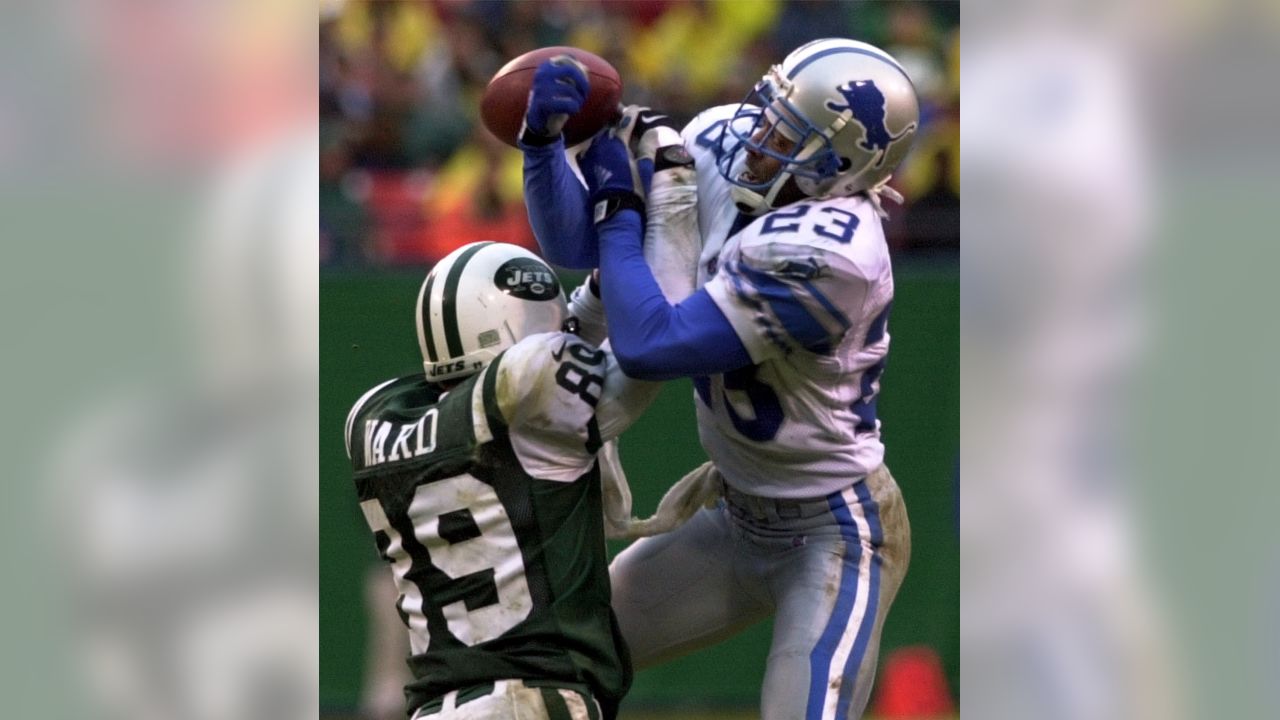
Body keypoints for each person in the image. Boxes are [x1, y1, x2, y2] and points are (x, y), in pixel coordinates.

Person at [519, 38, 917, 719]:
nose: (758, 137)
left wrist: (623, 211)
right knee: (547, 661)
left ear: (840, 165)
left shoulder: (833, 255)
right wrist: (542, 146)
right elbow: (577, 247)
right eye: (770, 113)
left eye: (788, 134)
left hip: (834, 532)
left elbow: (651, 344)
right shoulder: (721, 142)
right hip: (734, 514)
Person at [344, 129, 710, 719]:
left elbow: (542, 361)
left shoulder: (373, 420)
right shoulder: (529, 392)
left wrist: (591, 298)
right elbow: (653, 344)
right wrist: (659, 200)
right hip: (527, 701)